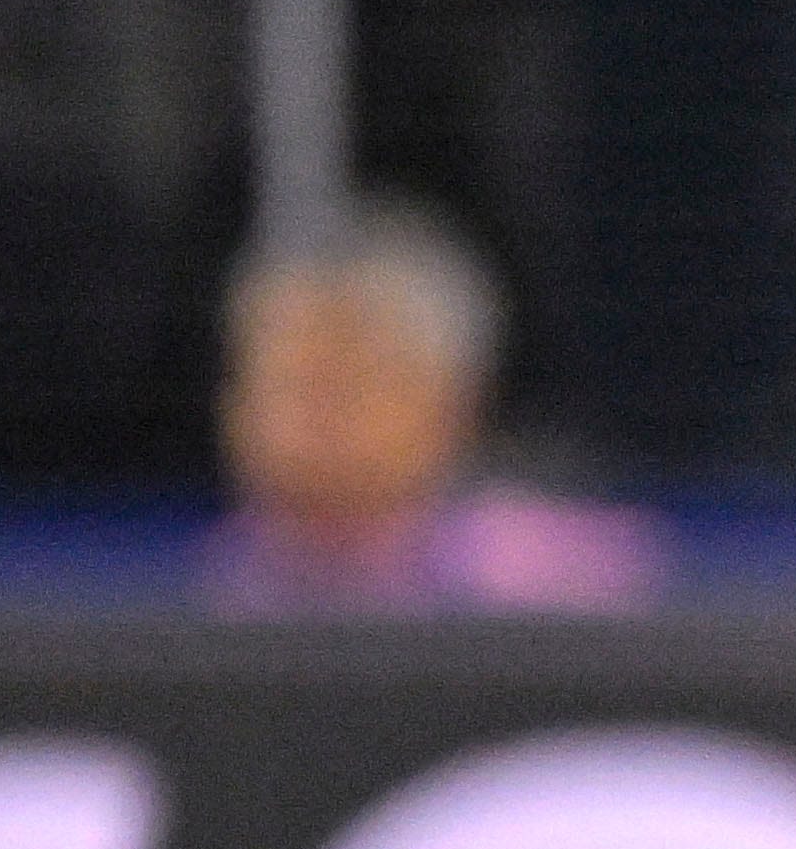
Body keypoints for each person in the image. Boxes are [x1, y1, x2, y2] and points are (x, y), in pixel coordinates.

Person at [199, 198, 664, 615]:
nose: (304, 423)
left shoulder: (564, 585)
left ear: (451, 402)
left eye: (341, 389)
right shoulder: (205, 593)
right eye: (281, 387)